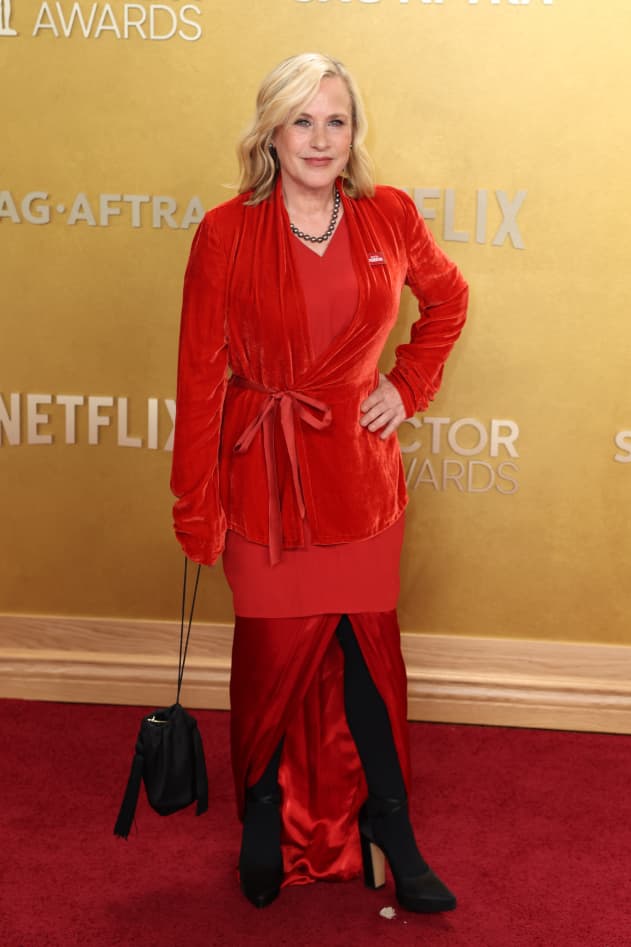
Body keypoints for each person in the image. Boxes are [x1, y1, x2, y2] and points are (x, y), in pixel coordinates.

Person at [171, 53, 468, 913]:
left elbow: (446, 304)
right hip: (259, 476)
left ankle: (393, 827)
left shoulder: (389, 215)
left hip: (362, 485)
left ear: (354, 132)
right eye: (301, 120)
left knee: (370, 658)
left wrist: (404, 386)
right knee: (267, 658)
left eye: (334, 120)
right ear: (270, 128)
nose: (319, 138)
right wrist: (197, 506)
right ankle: (261, 815)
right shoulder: (227, 229)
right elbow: (198, 378)